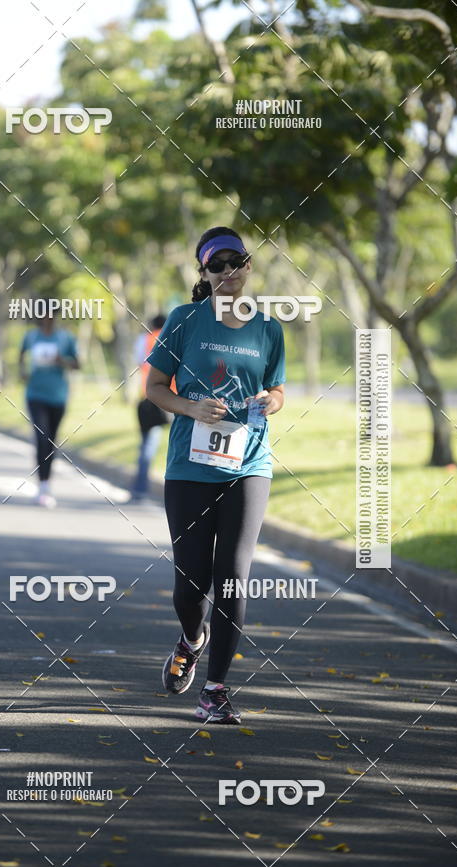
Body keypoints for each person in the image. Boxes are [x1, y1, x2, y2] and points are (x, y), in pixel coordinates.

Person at [146, 226, 286, 725]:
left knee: (232, 577)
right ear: (203, 274)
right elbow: (155, 387)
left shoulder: (268, 328)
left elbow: (276, 389)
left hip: (249, 465)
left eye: (237, 261)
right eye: (216, 265)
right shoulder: (185, 320)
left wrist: (271, 401)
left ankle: (216, 688)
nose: (228, 272)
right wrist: (190, 407)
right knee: (191, 579)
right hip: (190, 467)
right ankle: (191, 637)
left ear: (249, 265)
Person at [19, 311, 79, 508]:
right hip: (35, 394)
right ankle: (43, 486)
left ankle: (47, 483)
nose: (48, 319)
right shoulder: (31, 336)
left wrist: (63, 361)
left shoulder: (65, 337)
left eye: (52, 314)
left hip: (58, 396)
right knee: (42, 437)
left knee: (51, 440)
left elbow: (77, 364)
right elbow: (21, 355)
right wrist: (23, 372)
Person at [129, 314, 172, 502]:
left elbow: (140, 364)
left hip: (151, 397)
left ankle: (140, 488)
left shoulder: (144, 340)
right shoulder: (175, 337)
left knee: (147, 447)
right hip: (178, 398)